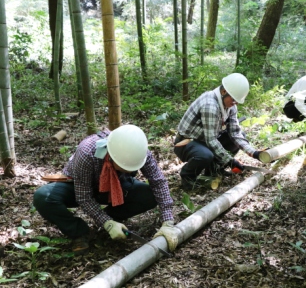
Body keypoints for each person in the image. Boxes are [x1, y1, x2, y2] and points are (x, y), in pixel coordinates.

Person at [33, 125, 178, 255]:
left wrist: (168, 221)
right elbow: (83, 197)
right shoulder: (87, 152)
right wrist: (106, 222)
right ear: (112, 156)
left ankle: (113, 218)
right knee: (43, 197)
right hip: (78, 186)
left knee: (149, 195)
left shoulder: (139, 151)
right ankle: (79, 232)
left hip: (118, 186)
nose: (128, 170)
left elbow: (158, 181)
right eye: (124, 167)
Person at [174, 73, 265, 190]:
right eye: (233, 99)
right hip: (186, 143)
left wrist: (254, 153)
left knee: (239, 136)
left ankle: (214, 170)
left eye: (237, 101)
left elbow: (235, 133)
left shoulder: (231, 106)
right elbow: (211, 140)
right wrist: (230, 161)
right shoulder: (210, 105)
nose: (235, 103)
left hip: (205, 140)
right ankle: (188, 177)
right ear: (223, 92)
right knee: (205, 155)